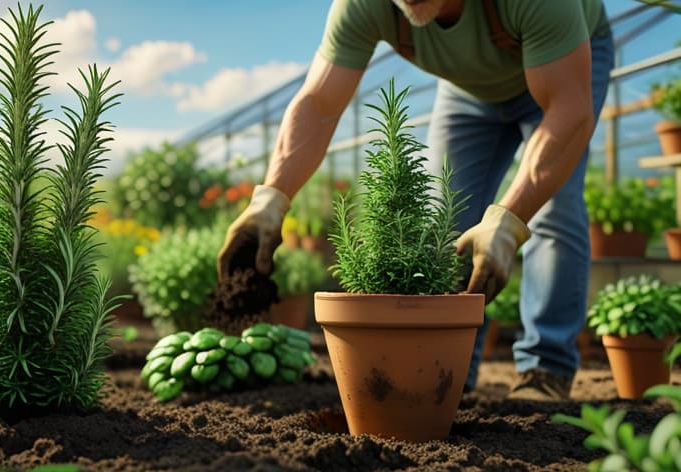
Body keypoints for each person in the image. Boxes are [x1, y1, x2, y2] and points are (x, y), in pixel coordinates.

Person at [216, 0, 614, 401]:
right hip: (467, 90)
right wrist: (270, 198)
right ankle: (451, 372)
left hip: (565, 66)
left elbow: (569, 108)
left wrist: (508, 221)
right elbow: (319, 103)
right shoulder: (361, 6)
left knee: (551, 209)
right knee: (444, 223)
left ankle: (545, 367)